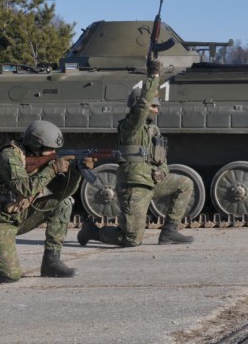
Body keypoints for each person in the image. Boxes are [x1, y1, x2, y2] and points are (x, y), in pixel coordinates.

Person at [0, 120, 90, 282]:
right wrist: (53, 169)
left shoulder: (38, 157)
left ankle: (51, 261)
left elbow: (61, 192)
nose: (53, 153)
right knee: (9, 275)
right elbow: (25, 189)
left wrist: (76, 172)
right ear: (36, 146)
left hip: (20, 214)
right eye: (50, 150)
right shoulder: (8, 157)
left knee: (63, 203)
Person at [77, 58, 194, 247]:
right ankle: (93, 231)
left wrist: (162, 172)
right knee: (131, 239)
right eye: (153, 105)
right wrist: (154, 76)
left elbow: (161, 158)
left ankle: (169, 232)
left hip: (151, 182)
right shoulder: (131, 126)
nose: (157, 109)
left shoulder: (152, 130)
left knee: (185, 184)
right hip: (135, 186)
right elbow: (142, 107)